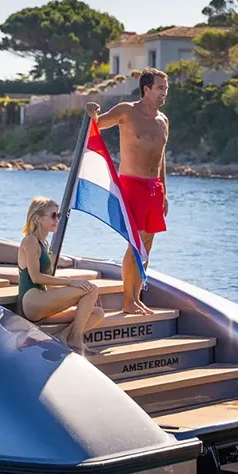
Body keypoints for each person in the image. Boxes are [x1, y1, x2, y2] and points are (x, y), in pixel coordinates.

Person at [85, 67, 170, 315]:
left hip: (154, 188)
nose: (165, 93)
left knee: (147, 243)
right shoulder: (127, 111)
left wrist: (164, 191)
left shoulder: (163, 120)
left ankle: (136, 297)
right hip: (132, 184)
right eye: (160, 88)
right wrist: (92, 114)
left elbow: (161, 157)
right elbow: (97, 126)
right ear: (147, 89)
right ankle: (128, 299)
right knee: (135, 242)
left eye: (166, 88)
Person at [17, 197, 104, 353]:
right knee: (91, 289)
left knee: (97, 313)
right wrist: (71, 283)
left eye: (58, 215)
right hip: (31, 301)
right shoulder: (30, 241)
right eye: (53, 215)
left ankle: (63, 336)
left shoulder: (45, 244)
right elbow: (36, 277)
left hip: (42, 299)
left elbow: (48, 283)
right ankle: (75, 339)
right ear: (37, 218)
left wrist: (70, 288)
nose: (57, 219)